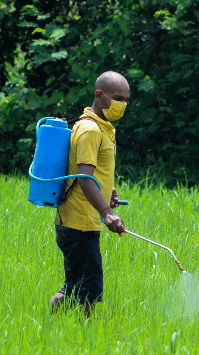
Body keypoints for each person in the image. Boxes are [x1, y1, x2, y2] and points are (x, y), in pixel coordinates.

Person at [49, 71, 129, 317]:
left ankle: (57, 326)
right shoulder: (91, 130)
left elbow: (94, 172)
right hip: (78, 223)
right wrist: (106, 212)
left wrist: (108, 192)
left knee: (76, 287)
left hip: (81, 222)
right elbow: (84, 177)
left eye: (126, 100)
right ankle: (86, 338)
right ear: (99, 95)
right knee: (88, 290)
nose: (122, 105)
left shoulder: (103, 128)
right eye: (117, 98)